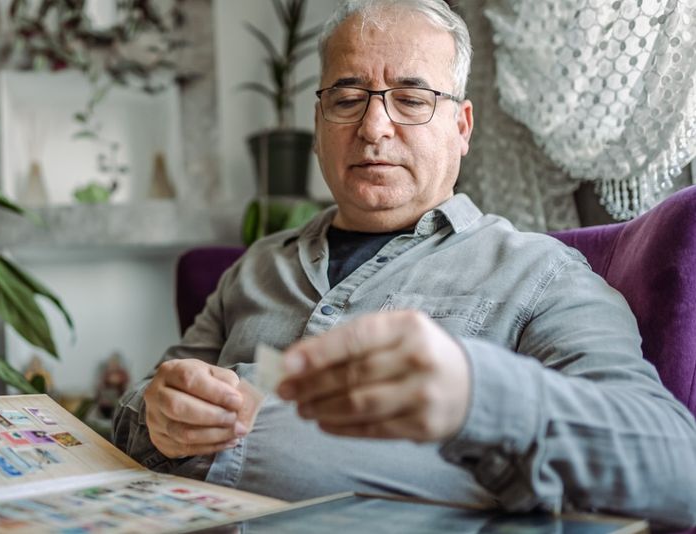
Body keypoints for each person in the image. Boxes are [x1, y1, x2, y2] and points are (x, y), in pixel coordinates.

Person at [113, 0, 696, 527]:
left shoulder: (540, 272)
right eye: (346, 99)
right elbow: (143, 404)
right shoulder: (257, 267)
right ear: (318, 127)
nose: (372, 128)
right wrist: (158, 414)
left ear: (462, 127)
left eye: (413, 100)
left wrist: (477, 396)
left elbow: (678, 470)